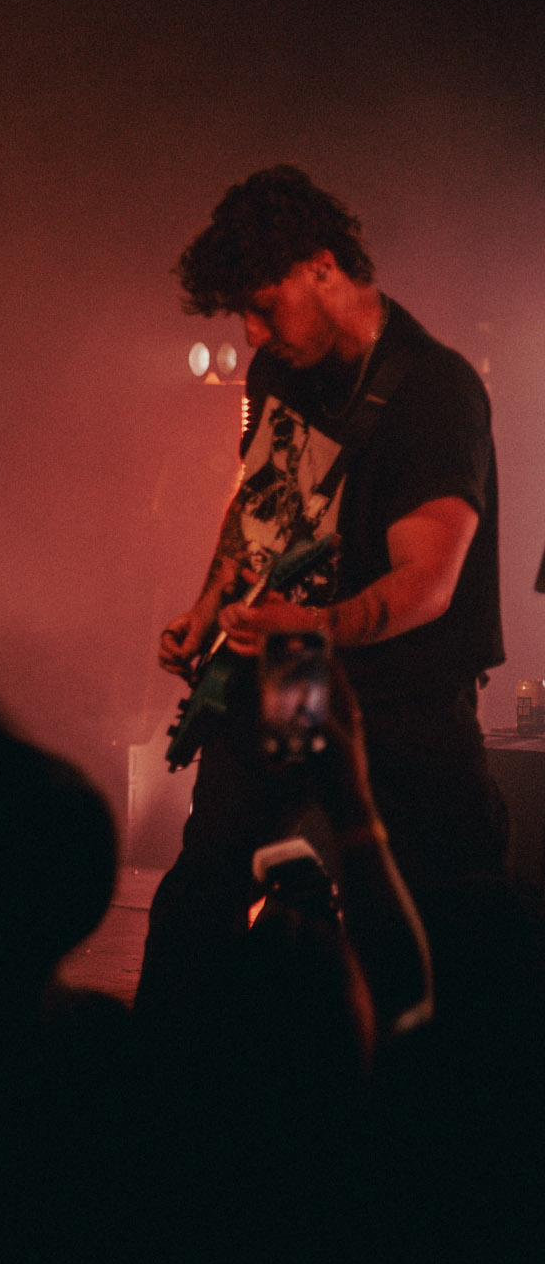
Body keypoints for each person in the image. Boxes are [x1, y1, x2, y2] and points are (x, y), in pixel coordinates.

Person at [141, 165, 505, 1021]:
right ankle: (154, 1082)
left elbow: (428, 582)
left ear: (323, 266)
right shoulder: (282, 375)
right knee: (206, 882)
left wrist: (308, 621)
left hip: (405, 695)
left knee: (441, 906)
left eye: (265, 304)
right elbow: (260, 515)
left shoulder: (435, 391)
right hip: (297, 680)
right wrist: (205, 609)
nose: (254, 330)